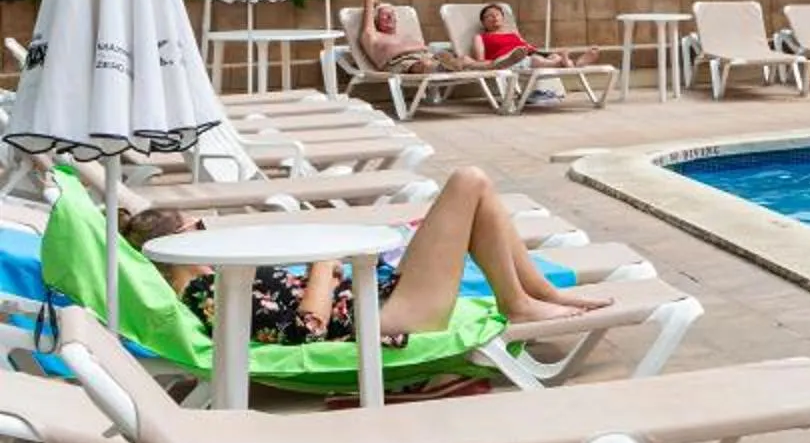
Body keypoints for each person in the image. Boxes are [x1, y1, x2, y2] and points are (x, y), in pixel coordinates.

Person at [124, 167, 612, 350]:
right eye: (200, 228)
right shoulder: (208, 294)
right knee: (468, 182)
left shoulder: (216, 284)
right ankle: (522, 300)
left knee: (477, 188)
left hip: (379, 296)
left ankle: (537, 293)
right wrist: (324, 262)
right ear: (182, 241)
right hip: (383, 316)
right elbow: (305, 329)